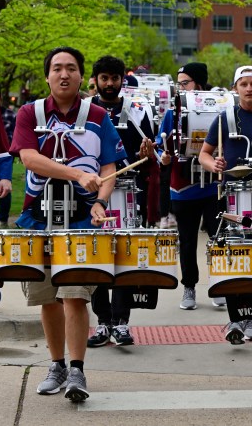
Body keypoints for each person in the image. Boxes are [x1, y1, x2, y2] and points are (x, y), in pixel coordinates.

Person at [10, 46, 127, 402]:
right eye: (58, 68)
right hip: (37, 217)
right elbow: (30, 159)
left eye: (72, 68)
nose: (64, 74)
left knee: (75, 295)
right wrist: (77, 173)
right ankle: (56, 364)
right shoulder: (30, 113)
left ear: (81, 76)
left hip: (80, 220)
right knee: (47, 298)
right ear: (47, 75)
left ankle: (77, 370)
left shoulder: (97, 115)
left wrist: (101, 203)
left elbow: (109, 168)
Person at [200, 65, 252, 343]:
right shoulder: (223, 119)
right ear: (235, 88)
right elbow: (204, 155)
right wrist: (215, 165)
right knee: (235, 255)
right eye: (243, 84)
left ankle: (251, 320)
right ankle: (235, 320)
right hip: (231, 195)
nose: (249, 89)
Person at [86, 55, 156, 348]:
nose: (110, 84)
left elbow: (152, 156)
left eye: (115, 78)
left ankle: (121, 321)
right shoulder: (85, 111)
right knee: (98, 254)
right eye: (104, 78)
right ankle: (103, 321)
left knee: (125, 256)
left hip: (129, 192)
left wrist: (147, 152)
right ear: (95, 81)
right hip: (94, 193)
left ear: (122, 81)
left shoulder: (138, 110)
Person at [156, 62, 221, 310]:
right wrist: (163, 156)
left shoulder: (218, 110)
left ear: (199, 84)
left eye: (185, 83)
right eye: (178, 83)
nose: (180, 88)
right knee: (187, 240)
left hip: (213, 186)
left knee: (217, 238)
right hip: (182, 187)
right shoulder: (173, 113)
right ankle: (189, 287)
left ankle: (218, 284)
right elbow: (162, 145)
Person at [0, 96, 13, 229]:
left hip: (3, 155)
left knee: (3, 191)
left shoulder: (8, 114)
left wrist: (6, 176)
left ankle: (3, 220)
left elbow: (1, 140)